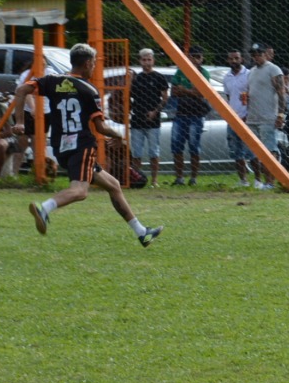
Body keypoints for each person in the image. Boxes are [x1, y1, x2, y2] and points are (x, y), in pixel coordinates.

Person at [13, 43, 163, 247]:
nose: (94, 68)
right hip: (81, 146)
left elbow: (21, 90)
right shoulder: (88, 90)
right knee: (80, 191)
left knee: (113, 185)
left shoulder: (52, 81)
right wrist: (118, 135)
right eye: (93, 64)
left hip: (61, 147)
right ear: (86, 63)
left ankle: (142, 233)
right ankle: (44, 208)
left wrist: (20, 122)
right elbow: (101, 127)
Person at [244, 43, 285, 190]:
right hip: (252, 117)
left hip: (268, 117)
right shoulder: (251, 71)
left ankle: (271, 182)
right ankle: (261, 180)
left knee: (270, 150)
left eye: (259, 54)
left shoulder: (273, 69)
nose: (256, 57)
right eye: (253, 55)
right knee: (256, 152)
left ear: (265, 54)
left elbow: (281, 93)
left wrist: (280, 114)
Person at [169, 45, 211, 186]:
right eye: (193, 56)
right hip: (180, 114)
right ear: (189, 57)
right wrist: (191, 91)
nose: (195, 60)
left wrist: (184, 90)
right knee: (177, 146)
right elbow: (173, 91)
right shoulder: (181, 71)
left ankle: (193, 178)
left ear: (202, 59)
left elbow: (202, 93)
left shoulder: (204, 73)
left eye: (198, 57)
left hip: (196, 115)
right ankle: (179, 178)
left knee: (194, 147)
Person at [129, 48, 169, 187]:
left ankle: (154, 180)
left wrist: (155, 112)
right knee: (136, 152)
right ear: (140, 61)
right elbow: (128, 96)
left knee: (154, 151)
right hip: (137, 119)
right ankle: (137, 179)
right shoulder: (137, 78)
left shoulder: (159, 77)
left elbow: (165, 97)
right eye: (144, 60)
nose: (146, 62)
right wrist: (129, 81)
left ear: (153, 61)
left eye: (149, 60)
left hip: (153, 121)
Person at [221, 48, 252, 186]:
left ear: (242, 59)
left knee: (252, 150)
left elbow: (253, 96)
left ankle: (258, 180)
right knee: (236, 151)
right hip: (233, 119)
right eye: (231, 58)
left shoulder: (249, 75)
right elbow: (229, 97)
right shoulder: (226, 77)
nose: (234, 61)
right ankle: (243, 180)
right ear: (227, 60)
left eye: (236, 58)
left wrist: (248, 114)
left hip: (248, 117)